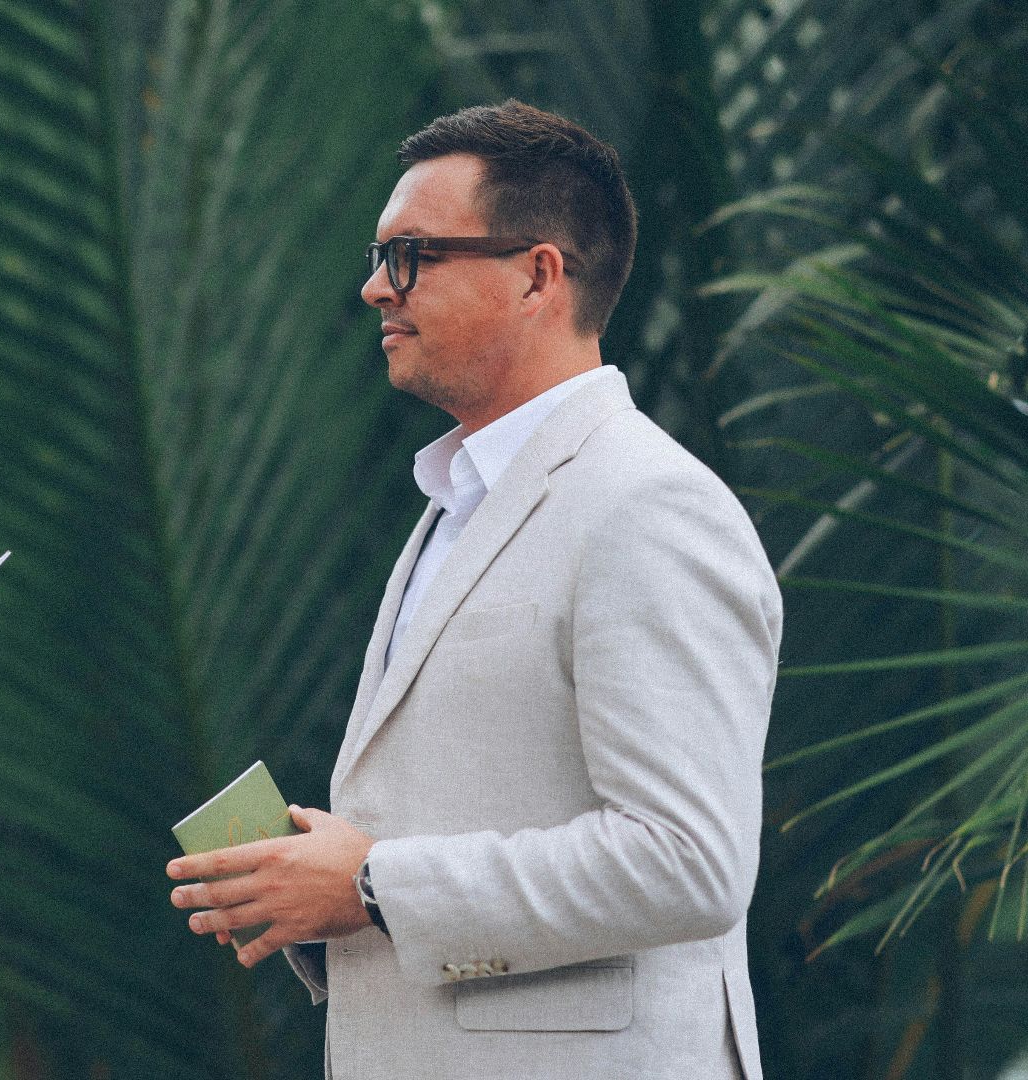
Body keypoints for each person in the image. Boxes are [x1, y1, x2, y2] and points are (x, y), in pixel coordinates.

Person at [167, 101, 780, 1080]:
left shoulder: (649, 506)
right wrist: (319, 890)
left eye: (409, 255)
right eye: (377, 257)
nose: (375, 288)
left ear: (538, 274)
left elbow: (689, 862)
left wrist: (371, 884)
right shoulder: (455, 501)